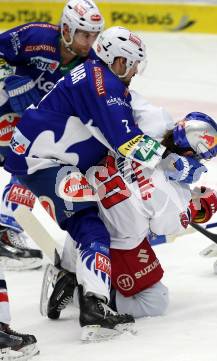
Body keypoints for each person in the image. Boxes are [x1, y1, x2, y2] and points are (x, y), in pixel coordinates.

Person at [4, 25, 208, 341]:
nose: (136, 70)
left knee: (92, 221)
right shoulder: (104, 85)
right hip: (42, 162)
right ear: (116, 59)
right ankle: (90, 304)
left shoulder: (99, 76)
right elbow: (126, 140)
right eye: (132, 62)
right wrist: (173, 162)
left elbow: (131, 123)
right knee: (92, 226)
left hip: (48, 157)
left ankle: (84, 295)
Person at [43, 103, 217, 320]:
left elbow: (118, 102)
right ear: (189, 152)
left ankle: (70, 269)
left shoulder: (152, 121)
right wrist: (197, 207)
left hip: (82, 208)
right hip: (114, 242)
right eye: (200, 156)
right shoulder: (175, 196)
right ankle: (83, 295)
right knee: (156, 300)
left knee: (113, 216)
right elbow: (165, 227)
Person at [0, 0, 103, 356]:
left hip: (30, 124)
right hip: (5, 108)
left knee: (23, 164)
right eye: (83, 34)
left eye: (93, 35)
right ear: (65, 29)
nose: (89, 42)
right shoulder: (35, 36)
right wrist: (6, 81)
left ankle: (3, 221)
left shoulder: (90, 65)